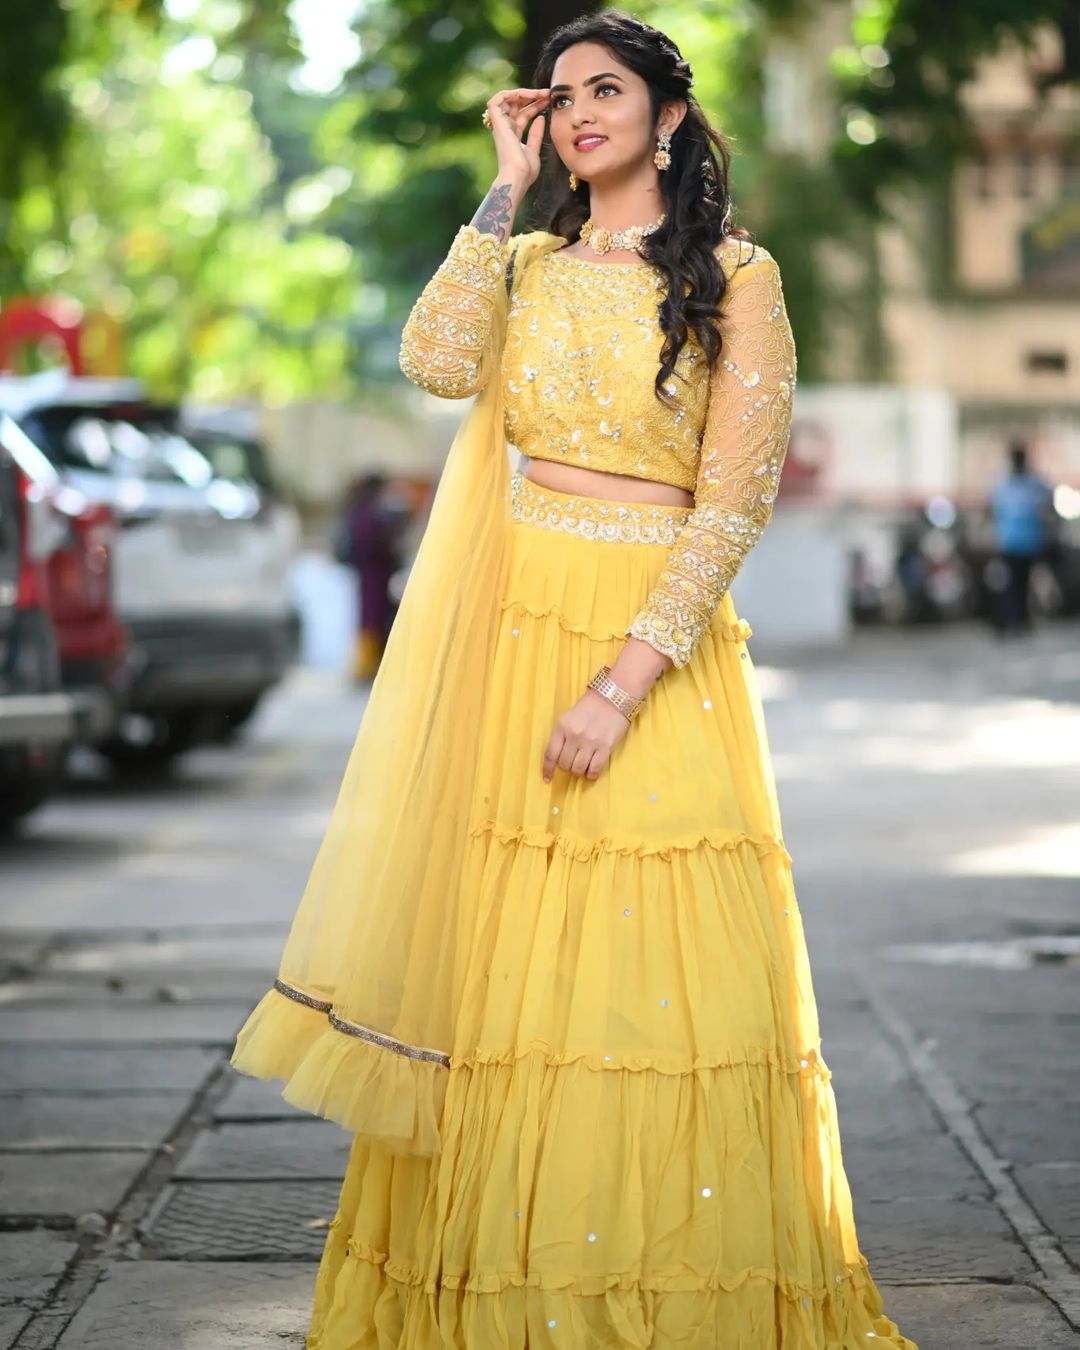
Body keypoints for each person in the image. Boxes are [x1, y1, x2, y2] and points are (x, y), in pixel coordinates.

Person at [231, 12, 919, 1347]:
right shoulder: (529, 261)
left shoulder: (739, 275)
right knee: (503, 971)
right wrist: (502, 187)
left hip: (653, 646)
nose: (583, 112)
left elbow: (733, 503)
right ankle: (505, 1287)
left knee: (663, 968)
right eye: (565, 95)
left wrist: (620, 682)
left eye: (611, 90)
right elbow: (436, 363)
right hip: (514, 619)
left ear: (669, 116)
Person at [338, 471, 403, 682]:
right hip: (373, 573)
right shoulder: (369, 512)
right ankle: (366, 664)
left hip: (372, 574)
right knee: (371, 617)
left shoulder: (362, 509)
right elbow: (371, 542)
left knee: (371, 616)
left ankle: (369, 662)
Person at [989, 439, 1055, 635]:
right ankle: (1014, 619)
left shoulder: (1033, 482)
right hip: (1011, 542)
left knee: (1024, 582)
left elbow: (1050, 499)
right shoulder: (1003, 483)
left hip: (1029, 541)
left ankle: (1021, 618)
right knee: (1012, 582)